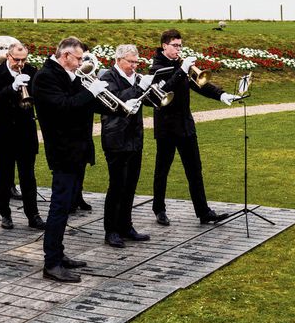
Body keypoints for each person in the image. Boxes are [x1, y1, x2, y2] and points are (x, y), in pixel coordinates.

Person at [31, 36, 122, 282]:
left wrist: (120, 105)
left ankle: (58, 254)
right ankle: (51, 263)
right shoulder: (46, 77)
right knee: (59, 207)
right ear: (66, 56)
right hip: (62, 151)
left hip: (77, 149)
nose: (82, 62)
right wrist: (90, 91)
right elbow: (64, 107)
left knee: (66, 205)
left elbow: (85, 106)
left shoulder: (68, 74)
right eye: (79, 58)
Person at [149, 28, 239, 226]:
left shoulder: (181, 64)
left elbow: (200, 84)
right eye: (175, 45)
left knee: (195, 169)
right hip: (166, 127)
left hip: (185, 125)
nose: (178, 49)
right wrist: (181, 71)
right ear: (164, 46)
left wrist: (221, 94)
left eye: (180, 45)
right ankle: (159, 209)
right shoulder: (156, 68)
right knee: (162, 169)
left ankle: (203, 211)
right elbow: (163, 89)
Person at [99, 44, 152, 248]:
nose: (134, 65)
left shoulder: (136, 77)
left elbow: (146, 102)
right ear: (119, 60)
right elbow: (117, 100)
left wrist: (154, 88)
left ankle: (126, 226)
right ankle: (110, 230)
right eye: (130, 61)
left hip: (134, 137)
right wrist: (140, 88)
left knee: (131, 184)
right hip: (116, 138)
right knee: (117, 186)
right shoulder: (108, 77)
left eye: (136, 62)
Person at [0, 41, 44, 231]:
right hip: (4, 131)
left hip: (25, 130)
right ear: (8, 56)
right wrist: (12, 87)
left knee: (28, 176)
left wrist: (32, 89)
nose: (20, 63)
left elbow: (39, 95)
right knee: (4, 175)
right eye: (16, 59)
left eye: (23, 59)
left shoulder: (31, 70)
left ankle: (33, 215)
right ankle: (5, 213)